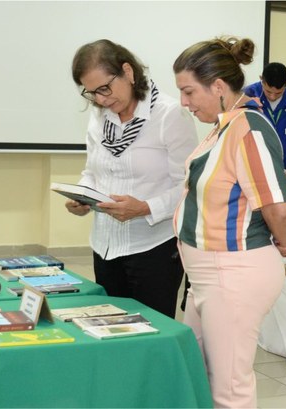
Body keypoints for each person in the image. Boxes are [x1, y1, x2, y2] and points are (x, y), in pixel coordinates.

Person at [172, 36, 286, 408]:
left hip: (233, 272)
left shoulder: (248, 128)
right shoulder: (223, 125)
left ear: (219, 87)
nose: (184, 103)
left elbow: (279, 207)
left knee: (229, 388)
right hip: (210, 274)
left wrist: (285, 244)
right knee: (199, 371)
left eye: (189, 92)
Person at [68, 39, 197, 318]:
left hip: (153, 247)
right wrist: (81, 195)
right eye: (91, 93)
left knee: (150, 332)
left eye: (105, 88)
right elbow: (93, 171)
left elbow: (188, 186)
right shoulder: (99, 117)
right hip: (105, 245)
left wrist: (145, 208)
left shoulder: (169, 115)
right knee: (110, 329)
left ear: (128, 71)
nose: (101, 99)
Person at [244, 62, 286, 186]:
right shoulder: (247, 96)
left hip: (283, 171)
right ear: (261, 80)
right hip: (252, 170)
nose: (273, 96)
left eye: (278, 93)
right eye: (268, 91)